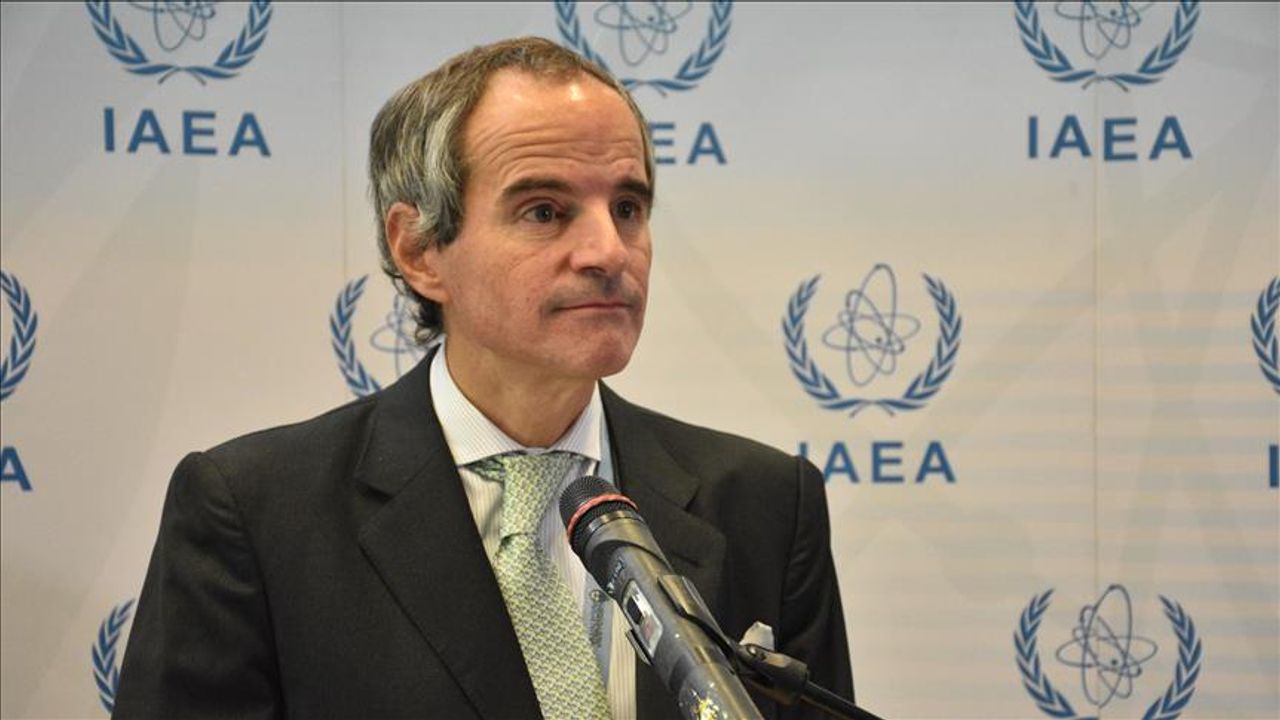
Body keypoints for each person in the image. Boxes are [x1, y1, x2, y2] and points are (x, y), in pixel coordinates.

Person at [114, 37, 851, 719]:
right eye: (545, 211)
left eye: (628, 207)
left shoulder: (764, 506)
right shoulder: (255, 513)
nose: (608, 250)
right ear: (419, 250)